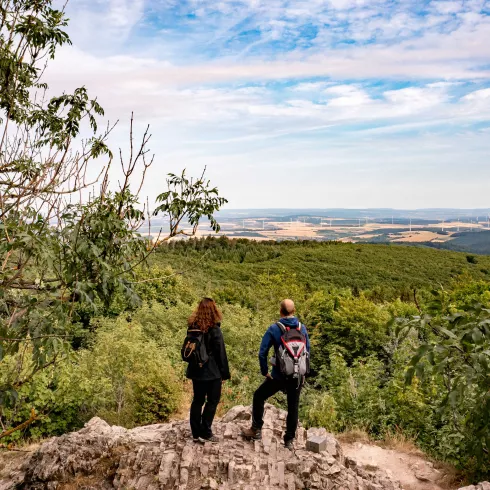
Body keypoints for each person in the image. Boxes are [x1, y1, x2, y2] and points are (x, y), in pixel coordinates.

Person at [242, 299, 310, 449]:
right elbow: (308, 351)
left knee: (259, 396)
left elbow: (262, 353)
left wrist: (265, 371)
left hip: (278, 376)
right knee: (293, 407)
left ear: (280, 311)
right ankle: (289, 440)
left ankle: (256, 429)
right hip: (296, 376)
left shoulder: (274, 329)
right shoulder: (302, 328)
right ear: (294, 310)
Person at [186, 298, 230, 443]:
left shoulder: (193, 326)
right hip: (212, 372)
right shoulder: (215, 329)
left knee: (197, 400)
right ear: (213, 310)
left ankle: (195, 432)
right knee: (213, 400)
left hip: (196, 370)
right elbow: (220, 353)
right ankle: (206, 431)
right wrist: (224, 373)